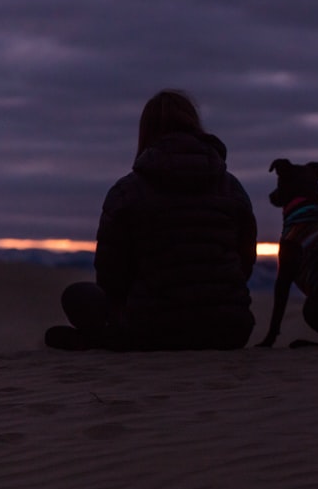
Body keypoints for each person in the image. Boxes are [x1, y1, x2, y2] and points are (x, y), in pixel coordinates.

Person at [45, 90, 257, 351]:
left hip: (154, 331)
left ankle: (100, 340)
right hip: (231, 330)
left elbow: (111, 274)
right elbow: (245, 261)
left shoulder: (127, 191)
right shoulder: (232, 188)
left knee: (77, 295)